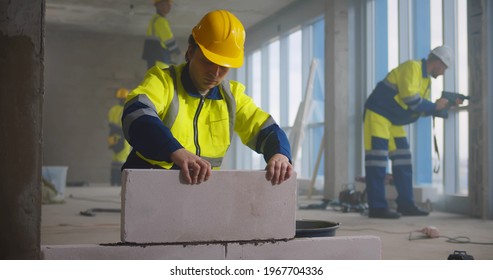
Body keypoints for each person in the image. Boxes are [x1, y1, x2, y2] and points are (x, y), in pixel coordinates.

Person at [122, 10, 293, 185]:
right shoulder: (163, 81)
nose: (215, 73)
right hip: (150, 178)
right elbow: (136, 114)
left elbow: (265, 127)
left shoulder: (232, 96)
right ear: (190, 52)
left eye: (224, 66)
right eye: (208, 61)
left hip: (202, 184)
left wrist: (280, 154)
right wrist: (174, 150)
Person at [363, 46, 463, 218]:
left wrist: (445, 106)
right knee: (377, 164)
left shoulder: (426, 82)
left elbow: (421, 110)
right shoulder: (412, 67)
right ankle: (377, 208)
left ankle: (406, 204)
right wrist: (434, 106)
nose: (443, 73)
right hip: (378, 115)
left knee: (403, 162)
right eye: (444, 68)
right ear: (439, 62)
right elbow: (411, 100)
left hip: (393, 120)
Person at [142, 0, 181, 69]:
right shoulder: (161, 21)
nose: (169, 7)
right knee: (161, 77)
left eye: (169, 5)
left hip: (153, 57)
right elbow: (169, 40)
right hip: (159, 57)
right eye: (166, 4)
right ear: (158, 6)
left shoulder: (154, 19)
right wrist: (177, 52)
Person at [108, 88, 132, 186]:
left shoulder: (113, 109)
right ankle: (120, 181)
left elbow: (110, 124)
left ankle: (113, 181)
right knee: (123, 159)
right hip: (122, 137)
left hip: (113, 136)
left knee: (115, 159)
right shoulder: (125, 109)